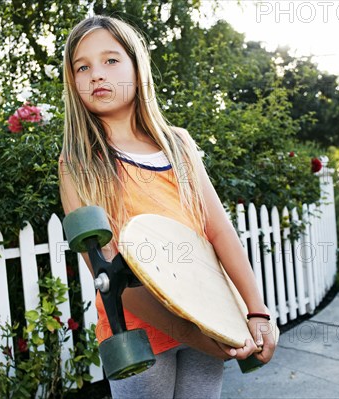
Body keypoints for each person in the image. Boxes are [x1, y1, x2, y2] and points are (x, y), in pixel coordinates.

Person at [58, 15, 275, 399]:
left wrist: (256, 311)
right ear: (72, 82)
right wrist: (195, 333)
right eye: (82, 67)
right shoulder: (78, 162)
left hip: (208, 311)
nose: (96, 75)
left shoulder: (179, 144)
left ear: (137, 67)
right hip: (140, 331)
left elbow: (219, 230)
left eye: (111, 60)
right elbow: (107, 272)